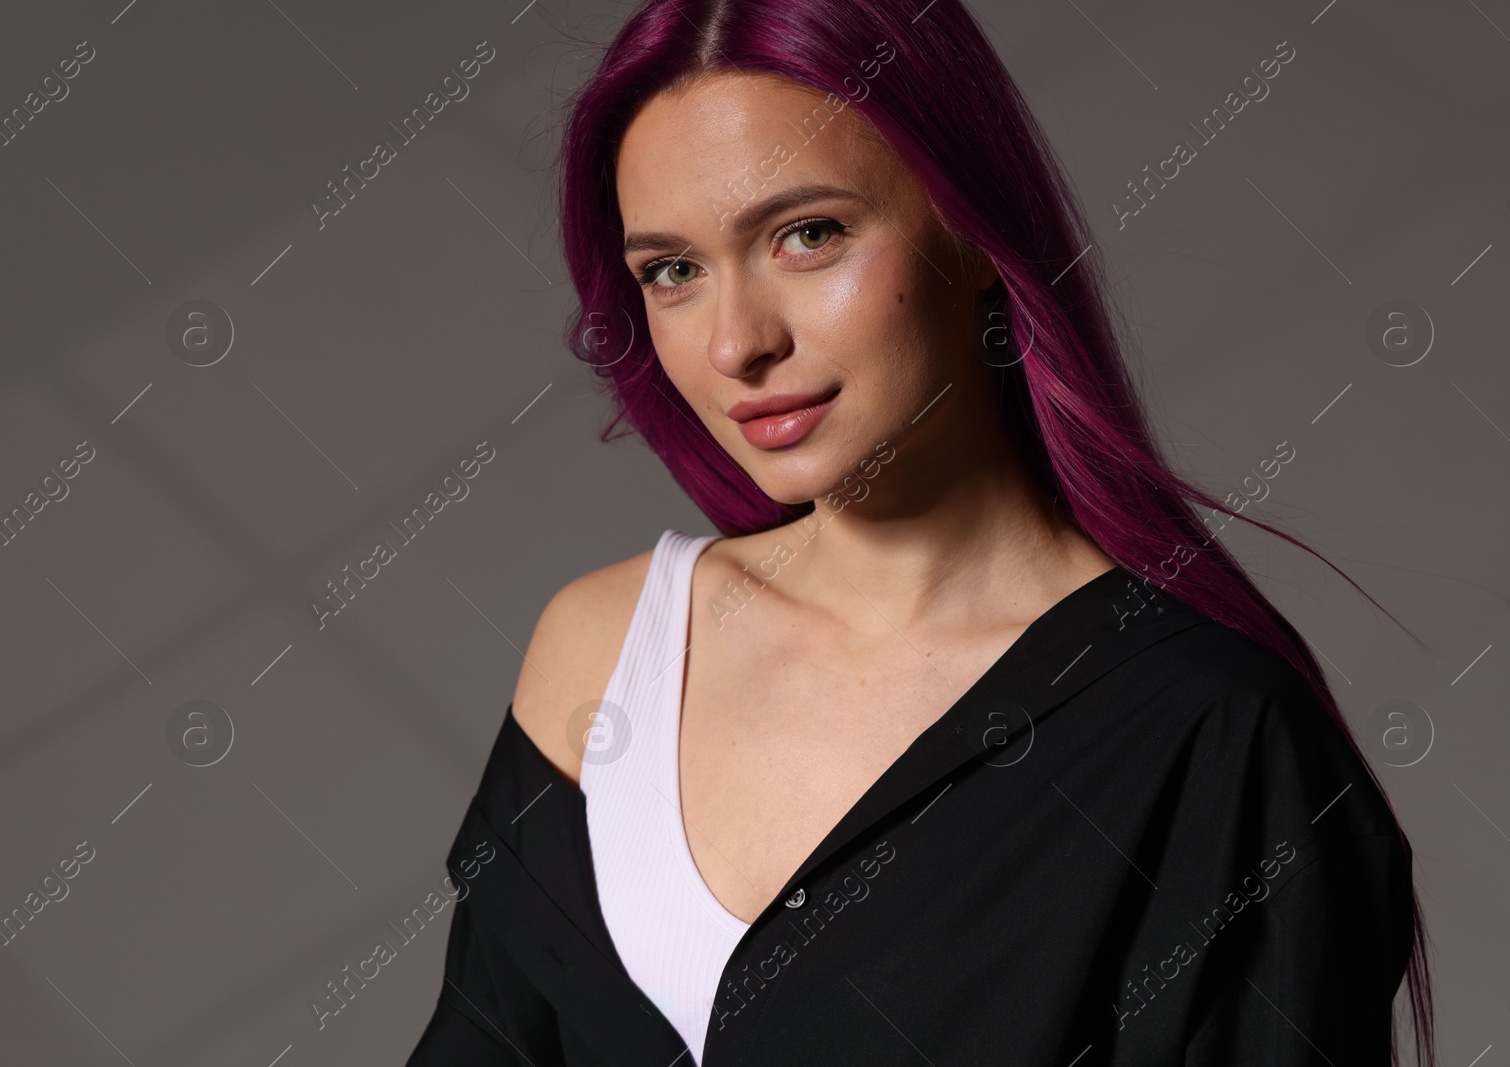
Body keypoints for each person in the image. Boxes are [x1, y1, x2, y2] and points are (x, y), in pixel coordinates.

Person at [407, 0, 1435, 1063]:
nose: (736, 342)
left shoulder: (1213, 734)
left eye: (807, 234)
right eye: (672, 270)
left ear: (971, 223)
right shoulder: (605, 651)